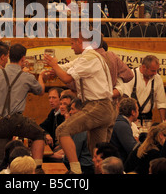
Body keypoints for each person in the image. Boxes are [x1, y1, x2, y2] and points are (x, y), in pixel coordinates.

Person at [44, 28, 115, 174]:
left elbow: (67, 78)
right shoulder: (88, 57)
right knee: (98, 153)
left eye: (72, 43)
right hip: (104, 107)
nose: (71, 47)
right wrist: (53, 69)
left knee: (62, 130)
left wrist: (55, 66)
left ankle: (76, 171)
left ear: (79, 41)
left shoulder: (89, 58)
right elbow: (68, 68)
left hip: (98, 106)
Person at [0, 43, 49, 170]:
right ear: (23, 59)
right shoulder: (27, 77)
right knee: (39, 134)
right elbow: (41, 91)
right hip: (16, 121)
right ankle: (37, 169)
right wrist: (40, 77)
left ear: (9, 57)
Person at [122, 55, 166, 128]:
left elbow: (161, 103)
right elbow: (125, 99)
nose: (155, 73)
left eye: (156, 70)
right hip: (132, 119)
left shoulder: (158, 79)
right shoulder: (131, 75)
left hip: (148, 119)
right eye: (153, 70)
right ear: (143, 67)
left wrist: (164, 122)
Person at [109, 97, 139, 163]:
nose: (138, 112)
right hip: (119, 164)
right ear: (133, 112)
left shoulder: (121, 122)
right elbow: (132, 149)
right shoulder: (122, 125)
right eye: (137, 110)